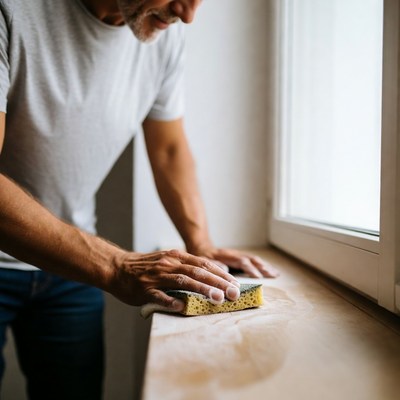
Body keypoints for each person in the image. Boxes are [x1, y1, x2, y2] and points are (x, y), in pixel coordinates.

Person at [0, 0, 278, 398]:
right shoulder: (11, 10)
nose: (187, 14)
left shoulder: (161, 31)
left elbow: (169, 150)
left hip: (70, 269)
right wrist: (116, 266)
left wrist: (202, 246)